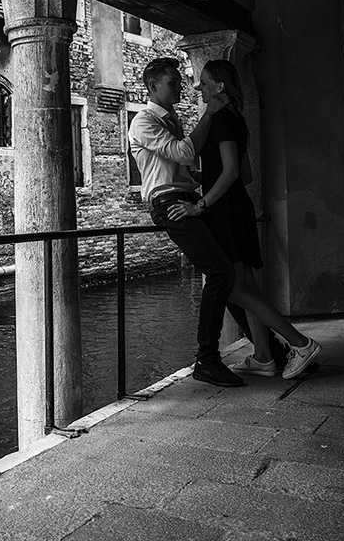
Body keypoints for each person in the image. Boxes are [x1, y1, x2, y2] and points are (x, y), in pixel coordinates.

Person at [181, 59, 321, 380]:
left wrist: (202, 202)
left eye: (203, 82)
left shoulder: (221, 122)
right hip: (237, 209)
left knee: (231, 287)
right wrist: (204, 175)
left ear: (219, 87)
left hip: (225, 213)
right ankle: (263, 357)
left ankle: (301, 343)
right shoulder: (236, 119)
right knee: (247, 287)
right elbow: (245, 175)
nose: (198, 88)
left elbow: (232, 173)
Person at [128, 56, 244, 387]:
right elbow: (182, 153)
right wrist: (209, 113)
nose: (180, 86)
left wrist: (196, 178)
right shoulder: (144, 121)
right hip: (170, 206)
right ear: (153, 87)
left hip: (186, 200)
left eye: (180, 81)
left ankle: (265, 346)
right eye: (173, 82)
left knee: (227, 271)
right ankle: (207, 360)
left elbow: (178, 165)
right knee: (222, 272)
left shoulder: (171, 118)